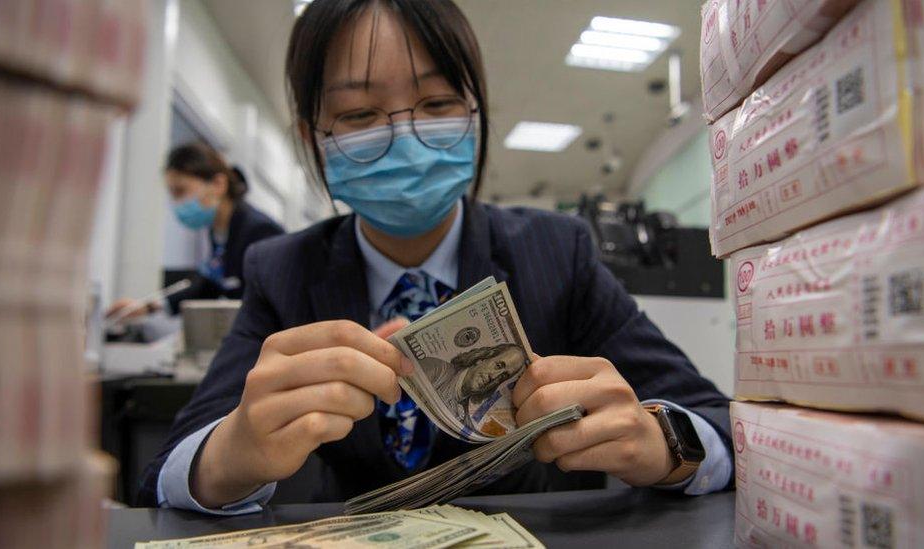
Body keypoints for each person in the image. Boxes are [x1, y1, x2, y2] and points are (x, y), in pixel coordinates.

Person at [139, 0, 733, 514]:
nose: (407, 135)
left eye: (438, 102)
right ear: (310, 137)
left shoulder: (558, 251)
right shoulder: (281, 270)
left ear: (477, 115)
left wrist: (665, 445)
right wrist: (228, 458)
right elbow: (172, 468)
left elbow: (716, 419)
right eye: (359, 115)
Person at [106, 143, 284, 320]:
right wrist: (148, 307)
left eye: (180, 191)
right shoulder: (219, 231)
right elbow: (210, 285)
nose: (176, 203)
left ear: (218, 184)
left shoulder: (260, 232)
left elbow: (267, 304)